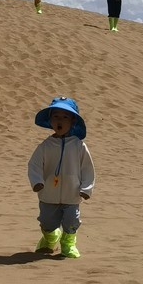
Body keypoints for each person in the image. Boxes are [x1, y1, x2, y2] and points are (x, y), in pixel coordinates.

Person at [28, 97, 94, 259]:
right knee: (47, 222)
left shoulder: (79, 146)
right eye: (56, 116)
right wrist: (37, 181)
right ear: (50, 121)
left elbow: (87, 168)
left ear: (73, 121)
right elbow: (34, 165)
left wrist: (86, 188)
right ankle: (50, 239)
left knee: (72, 222)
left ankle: (68, 244)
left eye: (65, 117)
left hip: (72, 194)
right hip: (48, 194)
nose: (60, 121)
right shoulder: (45, 146)